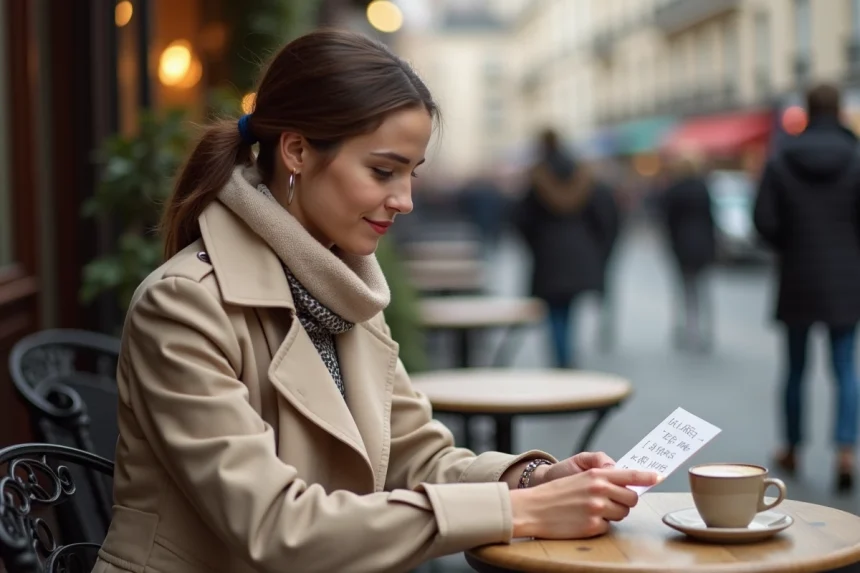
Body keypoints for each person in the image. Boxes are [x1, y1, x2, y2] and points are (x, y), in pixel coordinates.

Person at [92, 30, 659, 573]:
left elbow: (416, 456)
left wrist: (532, 481)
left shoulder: (341, 288)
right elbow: (274, 525)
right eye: (383, 170)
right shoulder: (183, 306)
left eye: (411, 174)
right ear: (295, 150)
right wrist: (518, 513)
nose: (405, 200)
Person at [754, 83, 860, 494]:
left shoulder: (781, 159)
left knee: (795, 369)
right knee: (844, 368)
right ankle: (845, 450)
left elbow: (763, 220)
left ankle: (793, 448)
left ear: (806, 111)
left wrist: (790, 244)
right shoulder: (855, 157)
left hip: (797, 275)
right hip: (846, 278)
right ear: (840, 111)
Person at [515, 128, 619, 368]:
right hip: (580, 254)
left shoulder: (537, 177)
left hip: (548, 255)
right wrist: (596, 250)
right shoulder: (583, 175)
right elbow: (605, 219)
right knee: (569, 310)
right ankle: (567, 358)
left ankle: (561, 360)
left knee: (554, 312)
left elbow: (521, 220)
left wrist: (536, 245)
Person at [661, 150, 716, 352]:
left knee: (684, 289)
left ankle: (687, 328)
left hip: (682, 245)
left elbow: (667, 221)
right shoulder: (702, 189)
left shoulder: (674, 190)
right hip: (702, 244)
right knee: (703, 289)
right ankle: (706, 329)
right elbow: (710, 219)